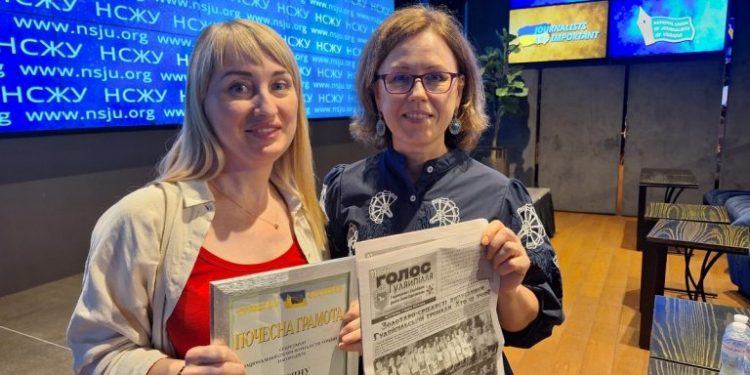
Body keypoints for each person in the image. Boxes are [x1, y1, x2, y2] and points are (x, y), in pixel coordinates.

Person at [66, 19, 328, 375]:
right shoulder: (141, 219)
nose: (266, 106)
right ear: (200, 102)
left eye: (280, 85)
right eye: (239, 87)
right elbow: (97, 354)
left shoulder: (307, 211)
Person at [321, 5, 563, 374]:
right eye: (400, 78)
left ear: (460, 90)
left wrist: (510, 289)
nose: (418, 93)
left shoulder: (501, 196)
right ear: (376, 92)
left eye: (435, 77)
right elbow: (323, 298)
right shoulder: (342, 188)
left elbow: (533, 323)